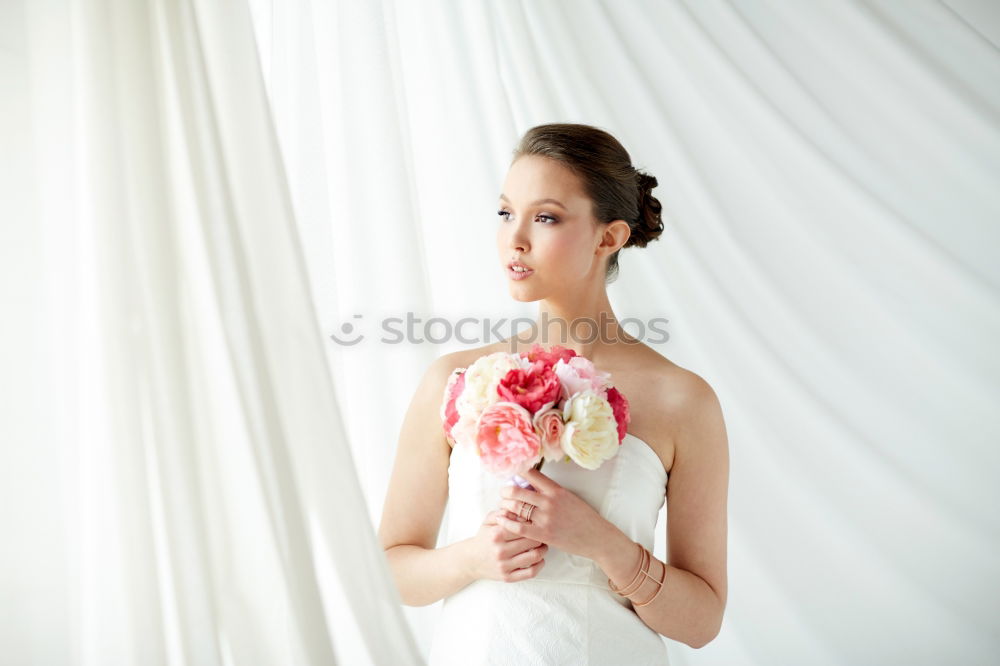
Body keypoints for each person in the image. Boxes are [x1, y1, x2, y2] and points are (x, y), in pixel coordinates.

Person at [378, 123, 729, 664]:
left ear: (608, 237)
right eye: (504, 213)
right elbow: (391, 569)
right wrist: (474, 558)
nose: (514, 239)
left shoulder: (682, 400)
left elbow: (702, 622)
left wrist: (605, 546)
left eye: (545, 217)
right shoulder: (455, 378)